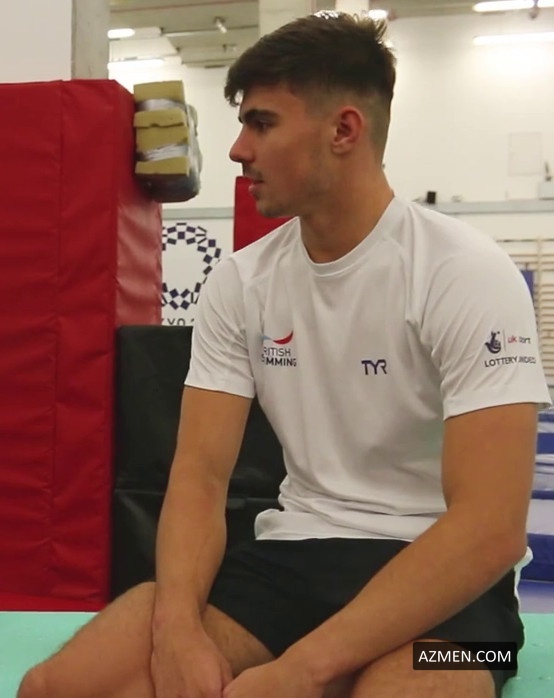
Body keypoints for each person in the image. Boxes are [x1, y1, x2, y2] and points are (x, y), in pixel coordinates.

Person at [18, 11, 550, 698]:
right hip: (294, 562)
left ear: (344, 131)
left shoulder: (463, 273)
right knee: (56, 687)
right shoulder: (242, 283)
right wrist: (177, 630)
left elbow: (491, 530)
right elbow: (200, 478)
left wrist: (303, 668)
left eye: (261, 124)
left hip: (455, 596)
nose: (238, 150)